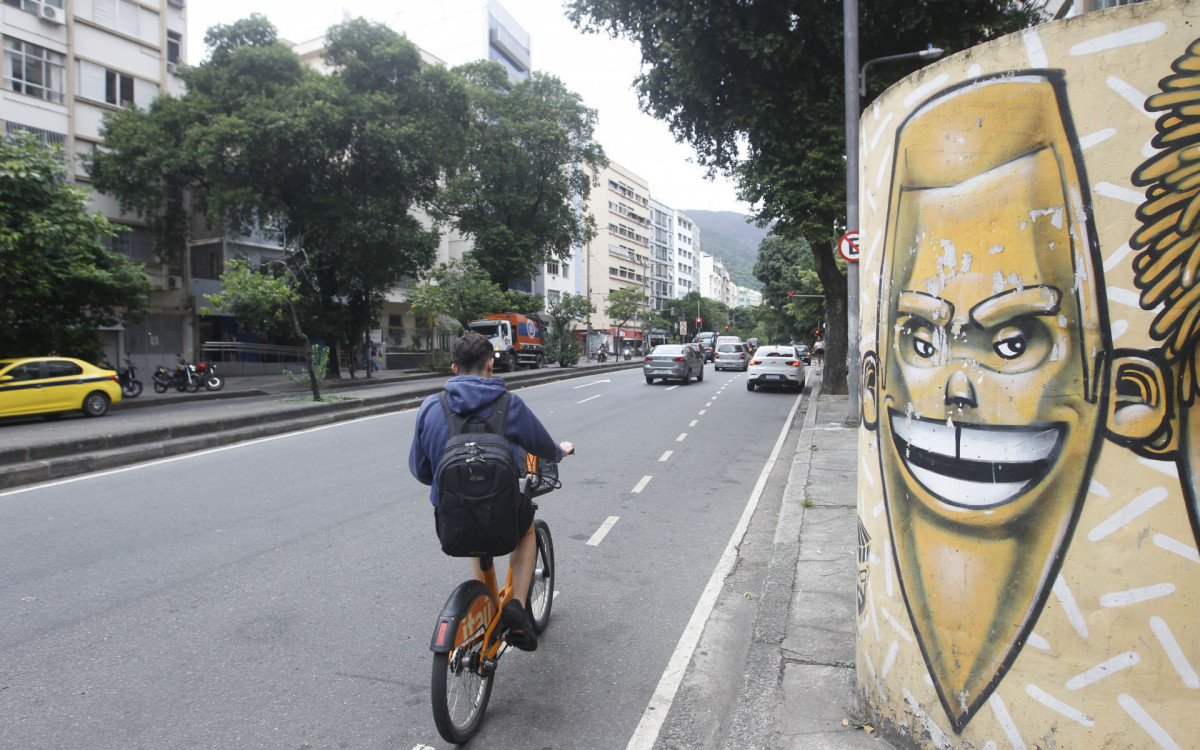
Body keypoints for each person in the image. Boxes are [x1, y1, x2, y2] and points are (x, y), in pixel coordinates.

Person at [409, 332, 574, 651]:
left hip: (451, 521)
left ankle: (485, 603)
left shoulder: (432, 407)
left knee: (474, 532)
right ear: (490, 365)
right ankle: (515, 605)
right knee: (526, 531)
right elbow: (541, 445)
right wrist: (559, 451)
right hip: (502, 514)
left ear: (454, 369)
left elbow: (421, 471)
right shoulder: (509, 404)